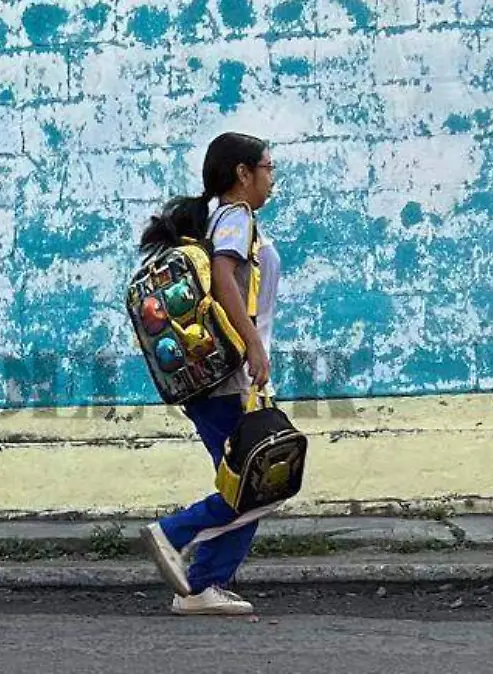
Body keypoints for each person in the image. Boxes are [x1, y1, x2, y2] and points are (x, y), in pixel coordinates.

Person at [136, 132, 282, 615]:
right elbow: (223, 278)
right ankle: (175, 536)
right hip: (228, 378)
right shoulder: (236, 217)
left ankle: (202, 587)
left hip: (217, 376)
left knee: (251, 481)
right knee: (255, 480)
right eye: (267, 167)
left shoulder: (220, 216)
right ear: (243, 173)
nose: (272, 177)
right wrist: (254, 345)